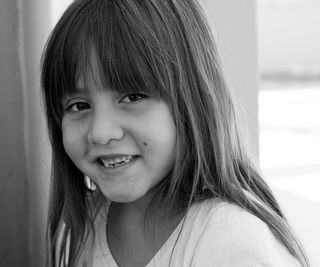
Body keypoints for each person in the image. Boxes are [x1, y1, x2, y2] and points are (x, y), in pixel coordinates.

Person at [40, 0, 310, 266]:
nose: (100, 132)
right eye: (79, 106)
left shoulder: (232, 241)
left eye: (133, 97)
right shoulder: (85, 223)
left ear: (192, 100)